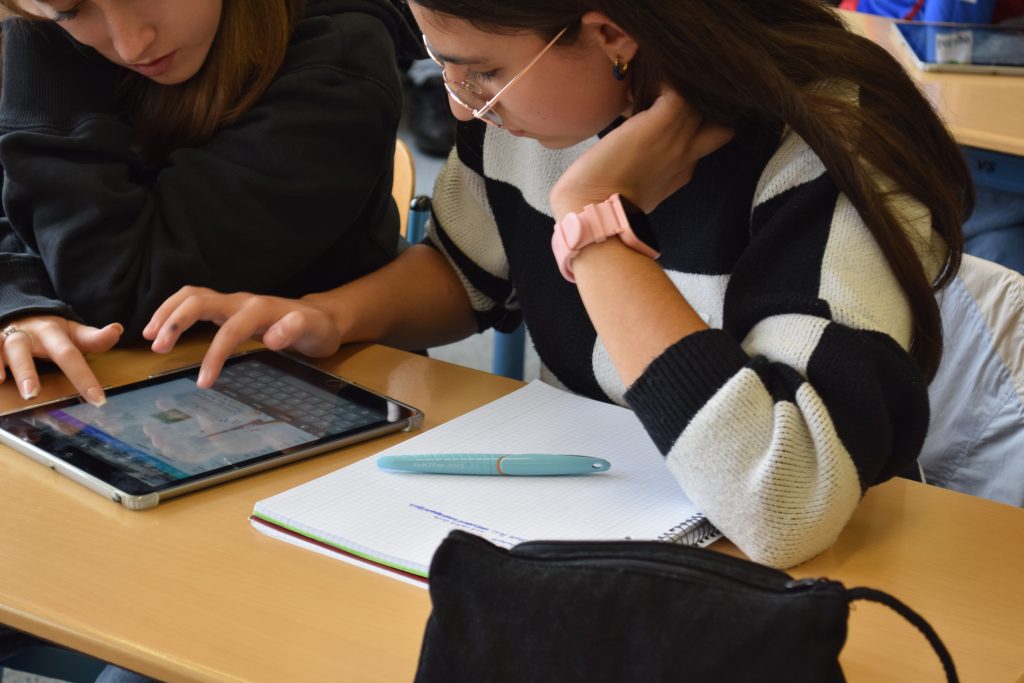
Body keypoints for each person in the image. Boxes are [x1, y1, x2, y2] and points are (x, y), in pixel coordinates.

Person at [145, 0, 970, 569]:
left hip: (805, 579)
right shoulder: (545, 118)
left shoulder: (829, 154)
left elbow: (782, 501)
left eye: (480, 75)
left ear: (610, 34)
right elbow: (469, 270)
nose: (465, 111)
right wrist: (328, 316)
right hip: (596, 532)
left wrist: (592, 222)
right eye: (445, 70)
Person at [0, 0, 418, 406]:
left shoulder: (337, 61)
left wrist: (38, 43)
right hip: (141, 394)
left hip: (326, 402)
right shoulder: (55, 30)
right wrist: (21, 303)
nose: (131, 45)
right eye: (70, 10)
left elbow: (119, 289)